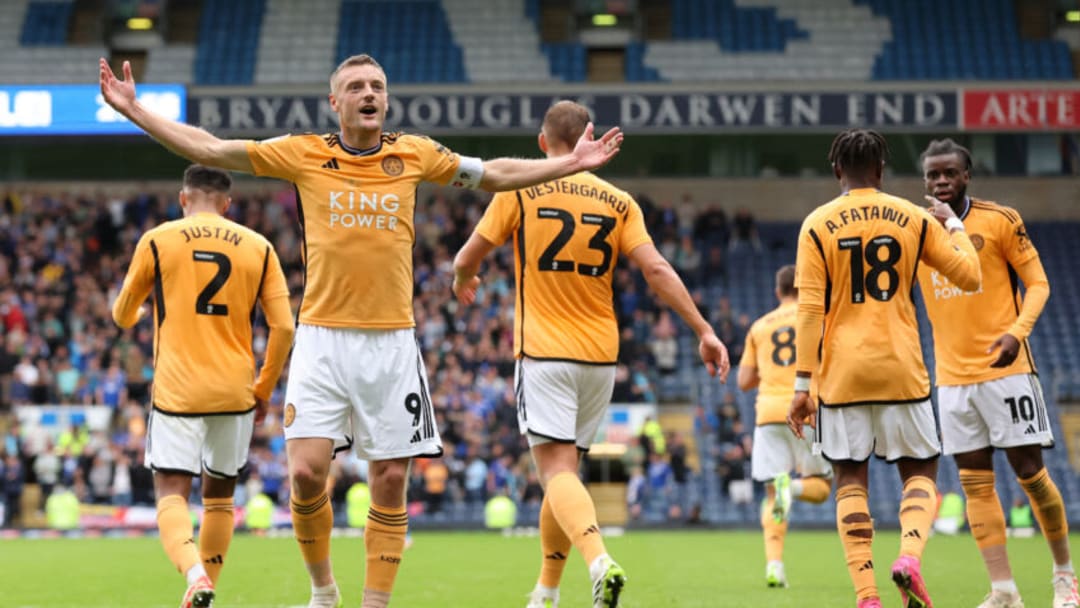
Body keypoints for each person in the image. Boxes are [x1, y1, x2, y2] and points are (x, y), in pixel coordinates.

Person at [100, 53, 623, 608]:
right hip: (322, 338)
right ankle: (324, 591)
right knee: (304, 474)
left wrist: (568, 165)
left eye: (376, 85)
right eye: (355, 86)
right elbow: (208, 149)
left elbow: (495, 172)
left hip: (391, 340)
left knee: (392, 480)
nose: (368, 93)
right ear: (336, 102)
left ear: (387, 99)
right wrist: (136, 110)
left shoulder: (415, 153)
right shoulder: (304, 153)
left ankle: (375, 603)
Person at [451, 100, 729, 608]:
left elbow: (469, 255)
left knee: (555, 473)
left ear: (542, 142)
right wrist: (704, 329)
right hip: (601, 357)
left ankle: (598, 561)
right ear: (590, 135)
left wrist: (463, 276)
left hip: (542, 351)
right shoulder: (620, 201)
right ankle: (547, 591)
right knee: (565, 475)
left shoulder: (523, 186)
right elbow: (658, 270)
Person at [787, 128, 981, 608]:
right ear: (880, 170)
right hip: (901, 367)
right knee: (920, 471)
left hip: (841, 373)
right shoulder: (913, 218)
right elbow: (970, 276)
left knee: (850, 480)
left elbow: (809, 310)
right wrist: (954, 224)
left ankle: (868, 595)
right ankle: (909, 558)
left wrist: (801, 383)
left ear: (838, 171)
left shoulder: (817, 223)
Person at [111, 165, 293, 608]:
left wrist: (135, 317)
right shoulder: (259, 246)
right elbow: (285, 327)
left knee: (171, 491)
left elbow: (122, 312)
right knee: (220, 499)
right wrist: (264, 388)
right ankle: (207, 583)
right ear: (227, 204)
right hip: (235, 391)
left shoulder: (157, 240)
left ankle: (195, 577)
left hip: (178, 391)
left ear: (183, 199)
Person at [916, 138, 1079, 608]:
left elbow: (1039, 283)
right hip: (951, 379)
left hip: (1007, 372)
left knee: (1031, 473)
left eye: (949, 173)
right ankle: (1004, 590)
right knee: (974, 483)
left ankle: (1065, 578)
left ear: (967, 175)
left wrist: (1016, 332)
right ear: (925, 180)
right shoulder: (919, 230)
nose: (941, 181)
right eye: (933, 175)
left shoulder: (1001, 220)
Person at [737, 264, 832, 589]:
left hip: (768, 415)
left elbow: (744, 380)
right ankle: (790, 488)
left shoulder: (759, 326)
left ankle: (775, 565)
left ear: (777, 292)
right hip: (808, 411)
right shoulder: (816, 318)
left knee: (770, 494)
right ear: (804, 289)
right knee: (820, 486)